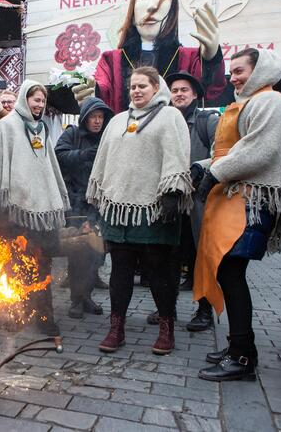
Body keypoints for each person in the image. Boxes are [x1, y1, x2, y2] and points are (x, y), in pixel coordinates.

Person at [193, 48, 281, 382]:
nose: (235, 78)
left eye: (241, 71)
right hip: (233, 197)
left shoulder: (270, 101)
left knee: (231, 273)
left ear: (259, 70)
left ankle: (241, 357)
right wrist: (202, 168)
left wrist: (215, 172)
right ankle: (242, 348)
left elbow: (258, 151)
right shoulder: (249, 103)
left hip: (249, 200)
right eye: (233, 73)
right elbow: (231, 152)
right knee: (228, 273)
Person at [88, 66, 192, 355]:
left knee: (158, 272)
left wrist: (173, 192)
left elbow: (177, 154)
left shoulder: (170, 116)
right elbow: (104, 158)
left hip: (155, 209)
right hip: (119, 209)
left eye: (142, 86)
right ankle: (116, 328)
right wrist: (99, 195)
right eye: (133, 86)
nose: (136, 90)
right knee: (119, 271)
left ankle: (166, 328)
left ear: (157, 88)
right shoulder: (119, 120)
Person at [0, 80, 70, 336]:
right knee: (16, 264)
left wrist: (57, 198)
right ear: (24, 100)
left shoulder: (41, 129)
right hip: (16, 208)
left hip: (42, 209)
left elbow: (50, 166)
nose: (39, 105)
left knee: (42, 264)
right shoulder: (6, 126)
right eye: (35, 100)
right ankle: (15, 313)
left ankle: (44, 315)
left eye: (42, 101)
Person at [73, 0, 225, 113]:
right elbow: (103, 90)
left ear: (174, 7)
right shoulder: (111, 61)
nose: (152, 5)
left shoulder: (190, 58)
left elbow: (212, 91)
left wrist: (211, 59)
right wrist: (92, 95)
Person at [166, 70, 219, 332]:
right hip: (170, 201)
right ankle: (167, 309)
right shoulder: (164, 121)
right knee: (169, 256)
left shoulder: (207, 120)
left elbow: (221, 152)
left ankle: (205, 310)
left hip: (199, 201)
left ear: (195, 94)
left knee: (201, 257)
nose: (178, 94)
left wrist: (201, 168)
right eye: (174, 90)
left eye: (183, 90)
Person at [55, 97, 113, 318]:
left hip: (98, 204)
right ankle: (76, 301)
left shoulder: (107, 137)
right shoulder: (72, 134)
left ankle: (86, 296)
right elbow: (58, 155)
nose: (97, 121)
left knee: (95, 253)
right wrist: (82, 155)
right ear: (85, 118)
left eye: (100, 117)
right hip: (76, 202)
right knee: (77, 251)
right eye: (93, 117)